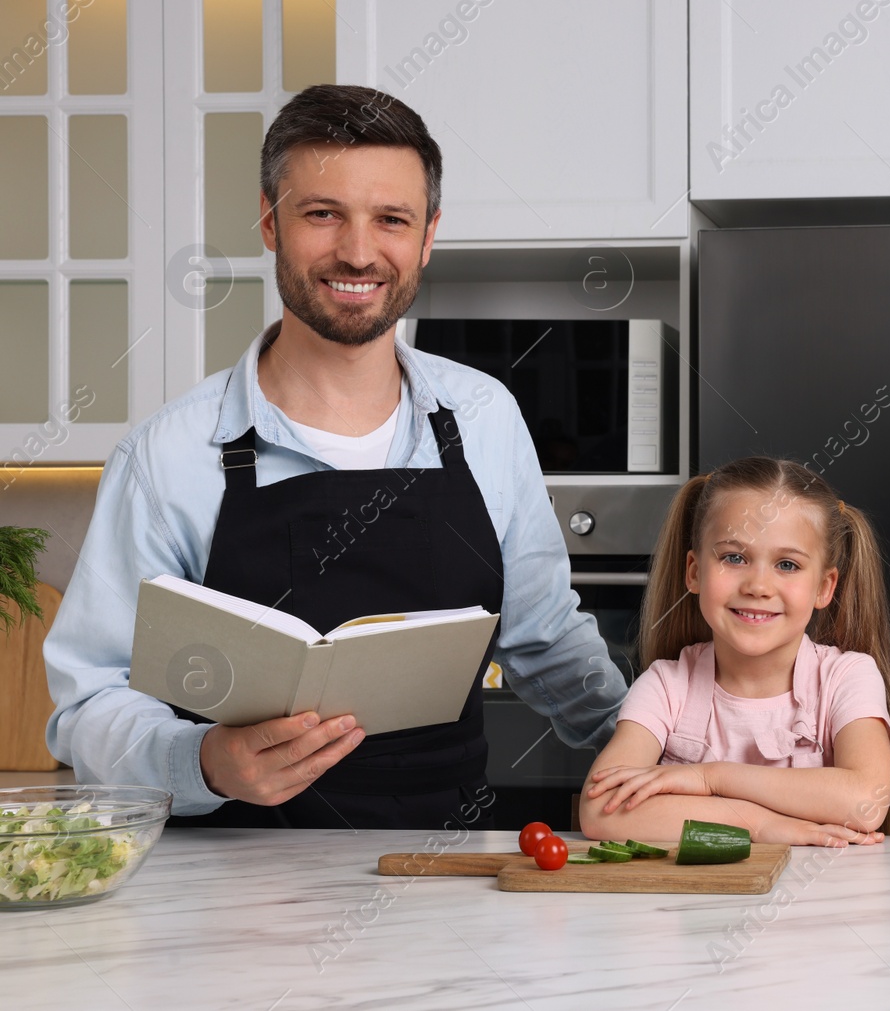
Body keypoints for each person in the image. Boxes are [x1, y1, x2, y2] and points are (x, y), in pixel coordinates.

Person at [44, 85, 628, 828]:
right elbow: (90, 698)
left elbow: (547, 640)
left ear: (427, 235)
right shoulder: (168, 455)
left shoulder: (484, 419)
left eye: (391, 219)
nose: (358, 251)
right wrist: (202, 760)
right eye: (323, 214)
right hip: (227, 898)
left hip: (445, 877)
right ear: (269, 222)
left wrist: (665, 749)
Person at [579, 457, 890, 846]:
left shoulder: (847, 677)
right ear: (694, 572)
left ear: (824, 587)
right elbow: (602, 810)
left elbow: (866, 802)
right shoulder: (666, 686)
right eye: (734, 558)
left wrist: (712, 778)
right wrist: (758, 825)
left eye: (787, 564)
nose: (758, 585)